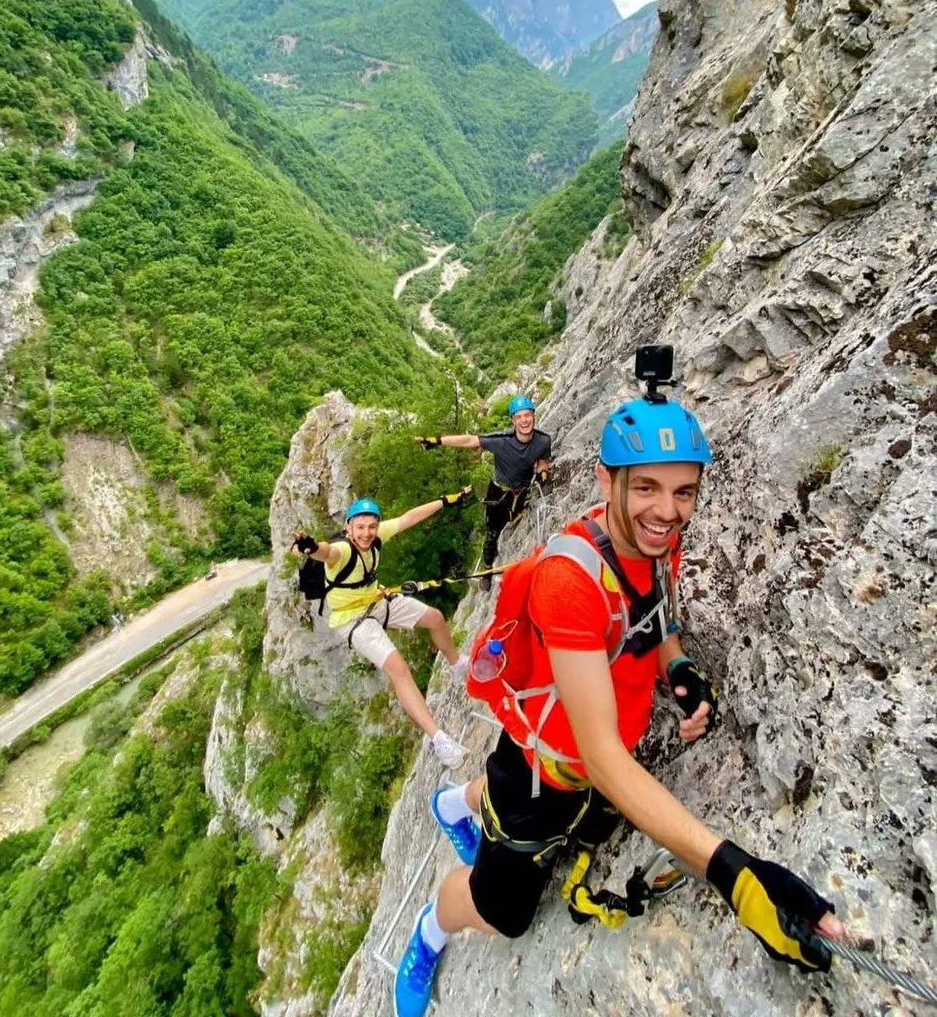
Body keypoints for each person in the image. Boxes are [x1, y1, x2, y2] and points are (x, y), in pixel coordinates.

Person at [394, 396, 846, 1017]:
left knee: (536, 784)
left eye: (684, 492)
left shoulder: (655, 543)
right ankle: (431, 929)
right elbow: (601, 756)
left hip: (582, 751)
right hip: (547, 774)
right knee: (502, 912)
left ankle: (454, 802)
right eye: (649, 488)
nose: (667, 511)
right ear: (607, 480)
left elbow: (656, 621)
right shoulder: (570, 583)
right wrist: (734, 875)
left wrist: (678, 666)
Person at [292, 490, 473, 769]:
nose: (366, 533)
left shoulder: (376, 537)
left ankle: (457, 664)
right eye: (360, 527)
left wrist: (446, 500)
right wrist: (312, 548)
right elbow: (327, 551)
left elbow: (409, 517)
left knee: (435, 618)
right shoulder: (342, 551)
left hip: (376, 601)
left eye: (371, 527)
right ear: (348, 528)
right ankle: (439, 740)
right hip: (351, 620)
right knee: (398, 668)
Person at [417, 396, 551, 591]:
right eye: (519, 417)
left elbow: (542, 460)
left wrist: (543, 472)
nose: (524, 421)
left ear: (533, 416)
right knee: (492, 534)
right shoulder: (501, 441)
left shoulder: (543, 440)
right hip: (498, 492)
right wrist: (438, 441)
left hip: (521, 491)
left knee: (516, 519)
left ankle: (511, 527)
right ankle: (487, 570)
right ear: (513, 421)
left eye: (527, 415)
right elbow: (470, 440)